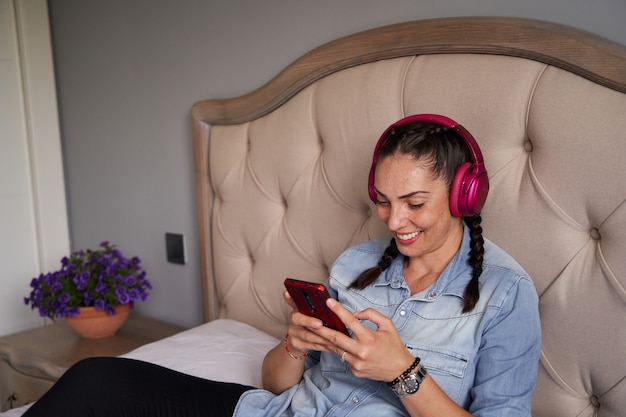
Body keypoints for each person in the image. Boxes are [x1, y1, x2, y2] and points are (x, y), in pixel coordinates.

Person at [23, 114, 541, 417]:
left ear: (465, 194)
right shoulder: (357, 264)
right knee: (94, 381)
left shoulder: (505, 293)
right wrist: (295, 341)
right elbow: (276, 384)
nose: (394, 220)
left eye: (414, 202)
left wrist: (404, 373)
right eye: (383, 201)